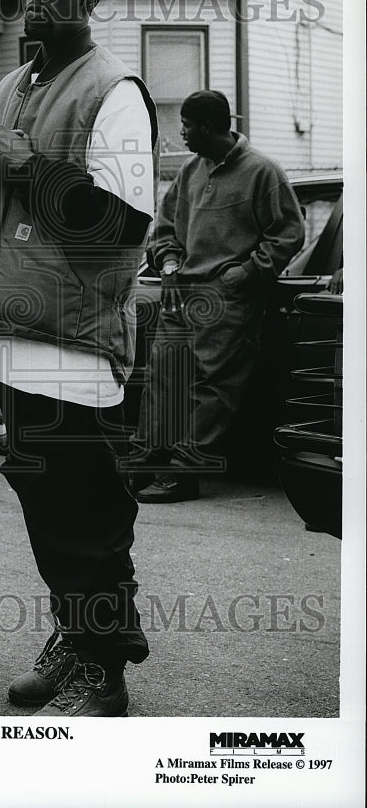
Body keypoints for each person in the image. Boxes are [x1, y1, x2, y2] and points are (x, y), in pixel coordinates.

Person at [0, 0, 156, 717]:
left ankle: (104, 676)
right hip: (15, 339)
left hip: (77, 343)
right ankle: (78, 638)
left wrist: (26, 166)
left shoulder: (117, 92)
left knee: (89, 520)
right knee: (49, 516)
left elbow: (122, 230)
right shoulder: (11, 87)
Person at [127, 90, 305, 503]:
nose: (182, 134)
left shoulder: (263, 172)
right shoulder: (191, 171)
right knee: (162, 381)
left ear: (207, 126)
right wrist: (168, 264)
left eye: (187, 126)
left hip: (229, 302)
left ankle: (185, 473)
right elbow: (165, 227)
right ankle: (143, 462)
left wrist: (243, 275)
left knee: (212, 386)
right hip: (181, 297)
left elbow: (288, 233)